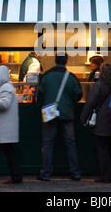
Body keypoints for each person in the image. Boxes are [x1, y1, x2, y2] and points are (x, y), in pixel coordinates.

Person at [36, 53, 83, 181]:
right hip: (67, 114)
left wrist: (42, 105)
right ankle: (75, 173)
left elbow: (39, 94)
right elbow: (79, 94)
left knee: (48, 144)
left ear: (55, 60)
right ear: (66, 61)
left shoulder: (47, 76)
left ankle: (46, 174)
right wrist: (69, 103)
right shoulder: (71, 77)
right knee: (70, 143)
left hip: (49, 113)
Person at [80, 63, 111, 183]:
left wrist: (83, 119)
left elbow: (90, 103)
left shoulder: (99, 85)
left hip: (101, 122)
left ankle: (104, 176)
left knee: (101, 150)